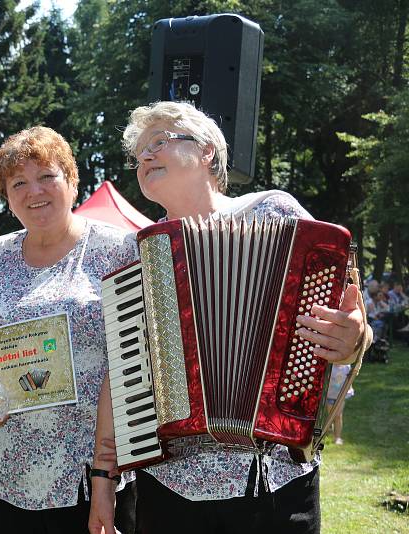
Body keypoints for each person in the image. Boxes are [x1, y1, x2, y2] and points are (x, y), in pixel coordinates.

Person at [89, 101, 372, 534]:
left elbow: (346, 318)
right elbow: (119, 372)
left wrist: (353, 336)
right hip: (169, 489)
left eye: (159, 142)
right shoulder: (137, 253)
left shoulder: (275, 212)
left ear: (206, 151)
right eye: (139, 152)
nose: (144, 157)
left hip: (273, 482)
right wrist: (105, 480)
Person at [0, 126, 138, 534]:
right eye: (19, 183)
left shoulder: (120, 250)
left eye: (47, 176)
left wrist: (106, 474)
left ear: (71, 179)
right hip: (8, 475)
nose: (35, 191)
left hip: (95, 476)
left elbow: (135, 364)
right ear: (7, 196)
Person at [326, 364, 354, 445]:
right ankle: (328, 428)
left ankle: (337, 437)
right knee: (331, 416)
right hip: (330, 396)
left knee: (338, 416)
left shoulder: (347, 367)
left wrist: (349, 390)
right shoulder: (330, 366)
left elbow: (349, 380)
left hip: (341, 396)